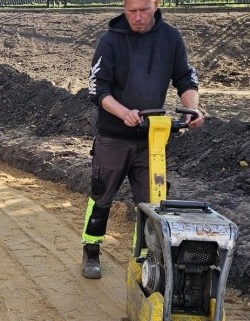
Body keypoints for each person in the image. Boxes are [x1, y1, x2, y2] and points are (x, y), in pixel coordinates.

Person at [81, 0, 203, 279]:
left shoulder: (171, 38)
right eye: (131, 10)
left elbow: (185, 79)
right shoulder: (110, 41)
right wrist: (124, 113)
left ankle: (147, 260)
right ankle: (91, 248)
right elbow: (98, 88)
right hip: (114, 136)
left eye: (143, 10)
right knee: (101, 196)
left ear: (156, 4)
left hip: (152, 138)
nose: (137, 17)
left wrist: (193, 108)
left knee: (153, 202)